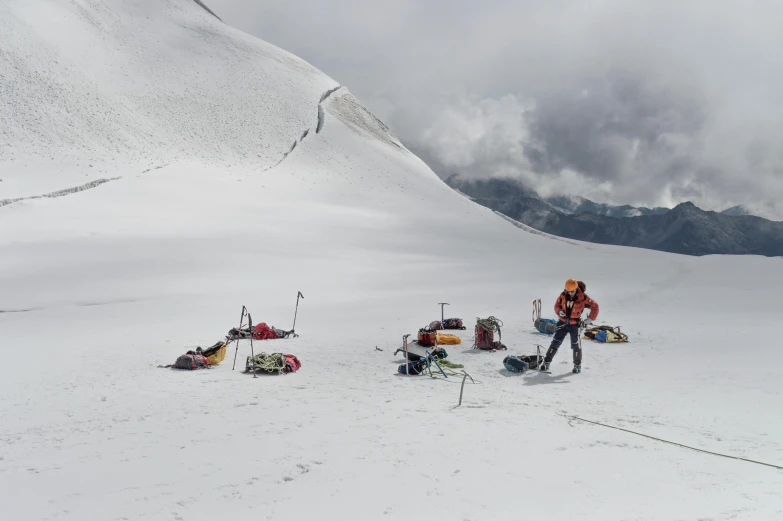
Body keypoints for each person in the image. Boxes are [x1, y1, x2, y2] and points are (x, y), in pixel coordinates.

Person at [542, 278, 599, 373]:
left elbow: (595, 306)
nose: (570, 293)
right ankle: (546, 362)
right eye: (568, 291)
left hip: (575, 324)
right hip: (562, 323)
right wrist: (559, 312)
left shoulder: (583, 298)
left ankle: (577, 365)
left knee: (576, 345)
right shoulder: (563, 295)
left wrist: (590, 319)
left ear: (576, 289)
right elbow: (557, 305)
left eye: (572, 291)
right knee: (555, 343)